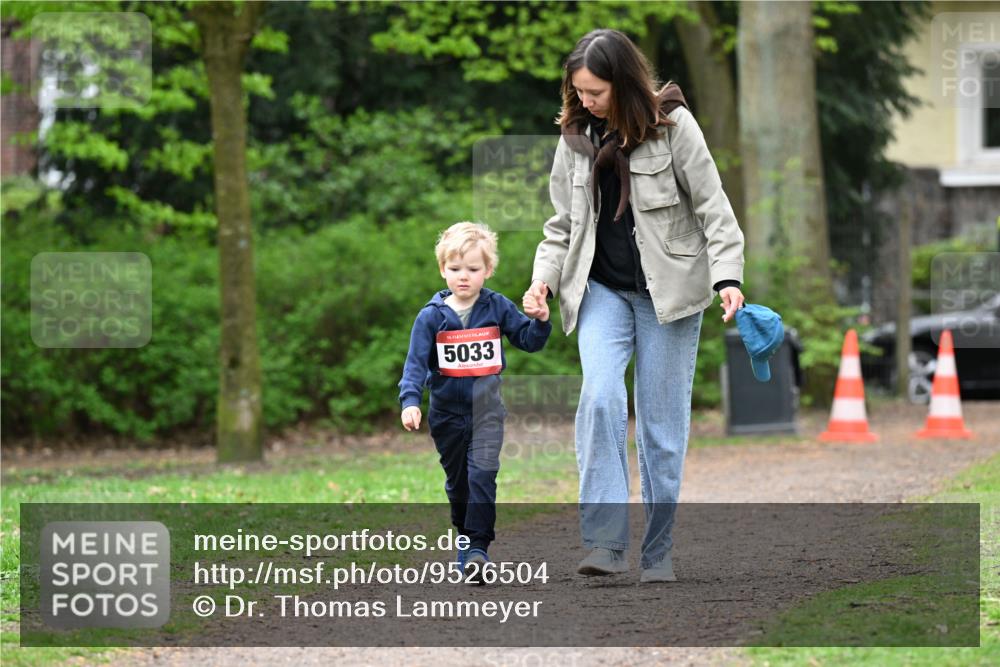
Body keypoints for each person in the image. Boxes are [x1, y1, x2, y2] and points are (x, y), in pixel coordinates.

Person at [524, 29, 746, 583]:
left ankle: (657, 552)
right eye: (577, 92)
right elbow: (561, 225)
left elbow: (714, 210)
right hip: (600, 291)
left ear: (622, 84)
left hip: (668, 295)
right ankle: (604, 544)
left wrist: (727, 279)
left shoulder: (674, 128)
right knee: (599, 397)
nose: (585, 102)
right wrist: (542, 282)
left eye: (595, 92)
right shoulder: (575, 137)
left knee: (661, 428)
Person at [399, 222, 552, 583]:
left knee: (483, 474)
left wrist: (541, 321)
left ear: (488, 271)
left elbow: (528, 341)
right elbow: (415, 365)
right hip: (446, 415)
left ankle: (478, 551)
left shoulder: (497, 306)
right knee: (459, 483)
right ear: (442, 270)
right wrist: (410, 401)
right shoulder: (431, 317)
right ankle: (465, 538)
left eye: (472, 269)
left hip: (487, 413)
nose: (463, 277)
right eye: (455, 270)